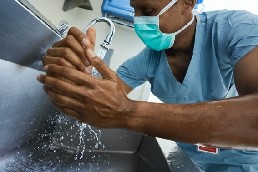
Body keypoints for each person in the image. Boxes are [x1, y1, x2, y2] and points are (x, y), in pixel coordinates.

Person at [37, 0, 258, 171]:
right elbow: (97, 101)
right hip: (194, 159)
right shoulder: (146, 61)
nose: (138, 20)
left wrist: (128, 112)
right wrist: (75, 75)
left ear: (187, 3)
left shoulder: (235, 29)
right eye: (135, 10)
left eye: (149, 11)